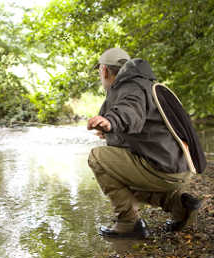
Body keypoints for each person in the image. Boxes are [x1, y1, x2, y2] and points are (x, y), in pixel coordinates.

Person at [87, 47, 206, 239]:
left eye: (100, 71)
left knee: (97, 158)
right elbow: (142, 127)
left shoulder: (130, 88)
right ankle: (181, 206)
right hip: (179, 169)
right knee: (118, 171)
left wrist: (112, 121)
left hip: (162, 171)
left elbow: (129, 110)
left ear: (104, 70)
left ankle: (128, 223)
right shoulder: (146, 84)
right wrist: (110, 129)